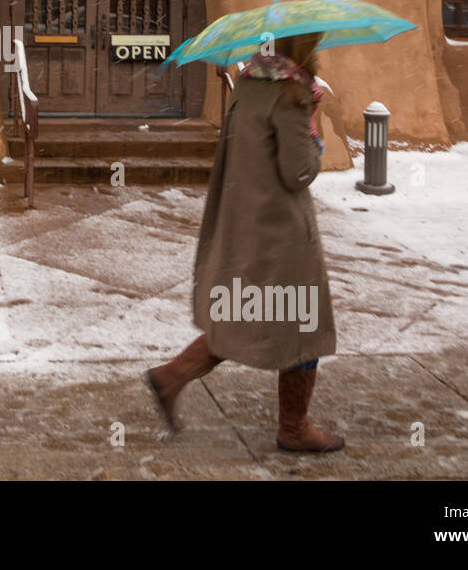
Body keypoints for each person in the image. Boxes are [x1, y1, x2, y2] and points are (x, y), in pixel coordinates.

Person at [145, 31, 344, 453]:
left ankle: (171, 377)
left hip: (246, 223)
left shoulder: (249, 85)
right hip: (283, 232)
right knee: (302, 324)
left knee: (240, 315)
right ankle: (294, 428)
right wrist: (314, 135)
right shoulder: (292, 94)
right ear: (304, 48)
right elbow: (299, 173)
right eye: (316, 44)